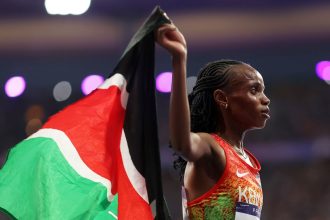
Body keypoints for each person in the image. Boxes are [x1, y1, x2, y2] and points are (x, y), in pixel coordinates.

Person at [156, 23, 270, 219]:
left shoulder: (248, 161)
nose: (265, 99)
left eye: (263, 90)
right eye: (254, 90)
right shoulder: (211, 147)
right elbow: (181, 143)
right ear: (222, 98)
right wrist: (179, 60)